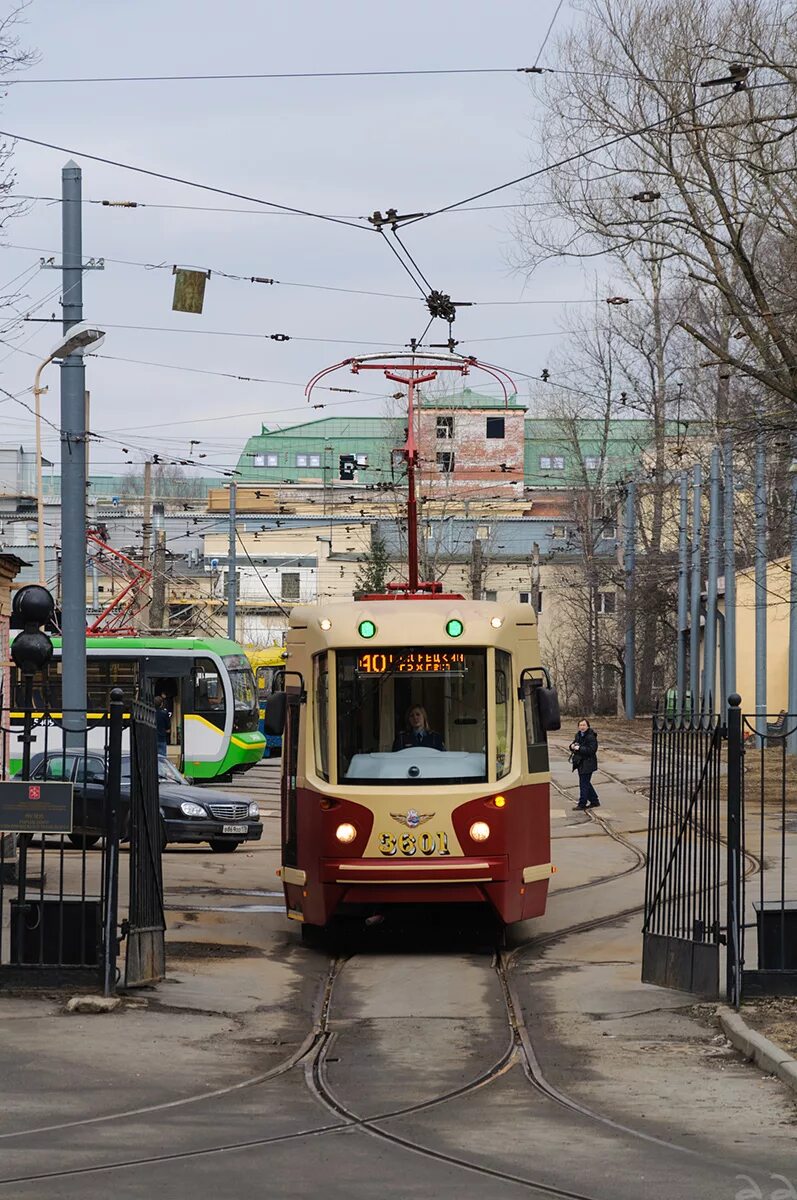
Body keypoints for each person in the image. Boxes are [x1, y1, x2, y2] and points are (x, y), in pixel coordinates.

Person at [569, 718, 600, 810]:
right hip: (580, 763)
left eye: (584, 725)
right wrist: (572, 746)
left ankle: (582, 803)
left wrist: (580, 748)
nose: (582, 727)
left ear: (588, 726)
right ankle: (594, 801)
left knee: (583, 784)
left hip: (588, 763)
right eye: (580, 725)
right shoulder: (578, 735)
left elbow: (592, 750)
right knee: (586, 783)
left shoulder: (591, 736)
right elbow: (574, 744)